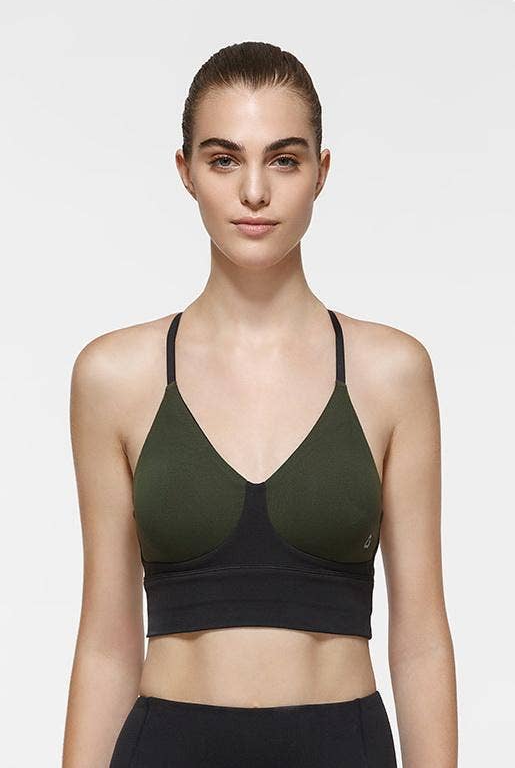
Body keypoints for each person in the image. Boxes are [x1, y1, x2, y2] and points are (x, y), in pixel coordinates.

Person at [62, 41, 457, 767]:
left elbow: (421, 636)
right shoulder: (115, 377)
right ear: (185, 171)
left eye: (283, 160)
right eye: (223, 159)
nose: (253, 191)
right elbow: (106, 644)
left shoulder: (391, 372)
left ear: (320, 172)